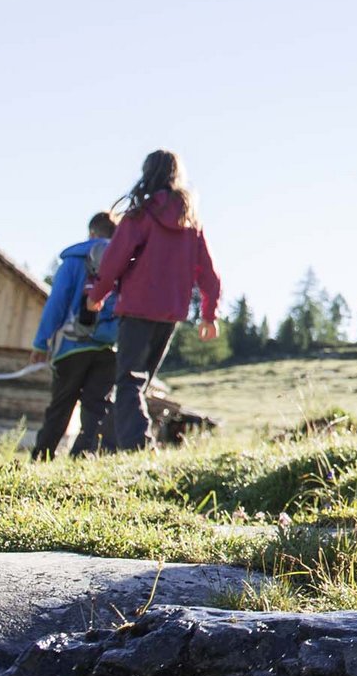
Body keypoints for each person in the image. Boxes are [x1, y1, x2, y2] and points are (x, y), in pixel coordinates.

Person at [85, 150, 221, 450]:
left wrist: (97, 295)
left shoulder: (140, 216)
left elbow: (113, 261)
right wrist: (209, 315)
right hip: (170, 312)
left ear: (148, 174)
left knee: (129, 382)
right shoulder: (190, 222)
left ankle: (138, 445)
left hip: (136, 308)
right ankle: (106, 446)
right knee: (136, 383)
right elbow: (209, 272)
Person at [28, 210, 122, 459]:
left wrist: (41, 342)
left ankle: (42, 457)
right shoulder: (123, 263)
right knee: (96, 407)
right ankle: (83, 458)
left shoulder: (73, 261)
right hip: (108, 348)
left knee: (61, 404)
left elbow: (56, 303)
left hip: (71, 346)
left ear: (92, 232)